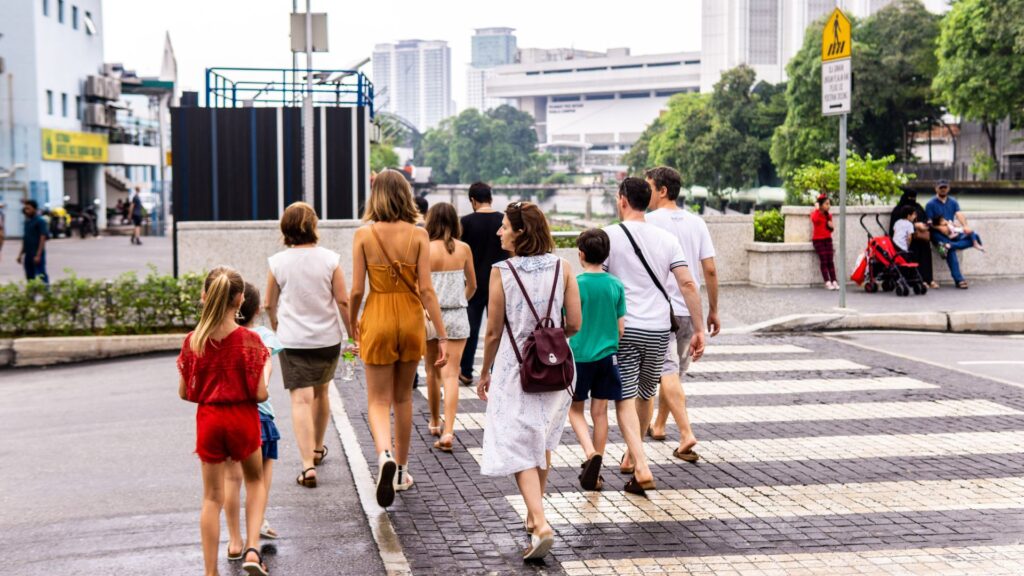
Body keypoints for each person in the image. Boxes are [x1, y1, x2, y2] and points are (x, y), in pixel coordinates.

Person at [475, 201, 581, 560]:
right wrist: (548, 339)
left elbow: (492, 331)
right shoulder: (563, 266)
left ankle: (540, 521)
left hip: (515, 366)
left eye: (504, 226)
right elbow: (575, 323)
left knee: (518, 443)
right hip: (557, 365)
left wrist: (485, 371)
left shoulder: (501, 271)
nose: (499, 231)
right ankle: (534, 518)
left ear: (520, 232)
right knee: (540, 440)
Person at [350, 170, 448, 508]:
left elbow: (357, 290)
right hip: (409, 318)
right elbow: (426, 290)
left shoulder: (363, 234)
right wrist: (443, 334)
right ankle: (403, 470)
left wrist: (352, 323)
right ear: (406, 195)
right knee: (403, 398)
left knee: (377, 400)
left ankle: (384, 455)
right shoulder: (420, 235)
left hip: (377, 314)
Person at [603, 177, 706, 493]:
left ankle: (640, 461)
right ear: (647, 201)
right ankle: (631, 457)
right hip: (660, 329)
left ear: (622, 200)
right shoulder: (666, 239)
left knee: (626, 397)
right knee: (646, 393)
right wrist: (699, 328)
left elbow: (599, 282)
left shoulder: (608, 236)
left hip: (626, 328)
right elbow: (688, 284)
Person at [177, 267, 271, 576]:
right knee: (255, 482)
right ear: (240, 299)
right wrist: (266, 370)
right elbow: (259, 394)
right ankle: (253, 550)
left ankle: (210, 571)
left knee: (211, 498)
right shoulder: (250, 341)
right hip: (242, 418)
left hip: (209, 420)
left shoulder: (193, 341)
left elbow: (186, 393)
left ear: (204, 297)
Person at [265, 202, 353, 489]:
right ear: (313, 225)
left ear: (285, 227)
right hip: (327, 339)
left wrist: (276, 324)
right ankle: (317, 447)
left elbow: (269, 302)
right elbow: (342, 300)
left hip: (293, 340)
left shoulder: (277, 262)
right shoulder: (330, 259)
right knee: (322, 391)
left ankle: (307, 466)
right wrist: (353, 333)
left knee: (300, 400)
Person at [644, 166, 721, 462]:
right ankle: (660, 425)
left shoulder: (647, 222)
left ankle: (683, 432)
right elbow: (710, 269)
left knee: (664, 373)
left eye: (649, 186)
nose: (646, 191)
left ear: (662, 190)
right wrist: (712, 310)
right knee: (673, 372)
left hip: (660, 310)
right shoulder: (696, 222)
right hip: (688, 309)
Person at [224, 282, 283, 560]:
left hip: (229, 415)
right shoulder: (263, 336)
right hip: (261, 415)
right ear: (257, 309)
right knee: (258, 481)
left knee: (232, 480)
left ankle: (235, 541)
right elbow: (264, 373)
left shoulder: (223, 334)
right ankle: (256, 531)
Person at [567, 228, 624, 491]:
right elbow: (621, 329)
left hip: (580, 357)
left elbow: (568, 321)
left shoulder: (575, 285)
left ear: (580, 254)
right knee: (600, 413)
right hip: (608, 357)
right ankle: (597, 472)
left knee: (575, 410)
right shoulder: (615, 284)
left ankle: (590, 454)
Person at [423, 202, 476, 451]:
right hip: (457, 316)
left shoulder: (425, 248)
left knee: (432, 371)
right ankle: (448, 430)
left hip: (429, 317)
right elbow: (473, 285)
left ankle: (434, 421)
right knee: (451, 374)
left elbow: (419, 287)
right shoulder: (464, 249)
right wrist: (460, 300)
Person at [459, 182, 506, 385]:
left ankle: (467, 371)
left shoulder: (466, 222)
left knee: (471, 328)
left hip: (473, 282)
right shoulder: (503, 220)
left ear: (472, 200)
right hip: (500, 282)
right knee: (499, 329)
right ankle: (496, 370)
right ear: (491, 198)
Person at [926, 180, 980, 289]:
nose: (943, 189)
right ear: (936, 188)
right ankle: (959, 279)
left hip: (953, 231)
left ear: (948, 188)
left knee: (973, 236)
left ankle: (948, 246)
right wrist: (941, 228)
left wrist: (965, 226)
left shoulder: (953, 202)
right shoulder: (930, 204)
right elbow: (929, 224)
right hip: (937, 234)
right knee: (951, 252)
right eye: (940, 187)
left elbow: (959, 214)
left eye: (945, 187)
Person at [889, 191, 937, 289]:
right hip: (906, 240)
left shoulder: (918, 207)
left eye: (914, 198)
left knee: (925, 247)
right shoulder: (898, 210)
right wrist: (915, 225)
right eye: (910, 198)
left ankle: (928, 278)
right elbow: (895, 228)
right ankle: (918, 279)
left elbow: (925, 219)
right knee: (913, 250)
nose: (912, 200)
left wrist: (924, 225)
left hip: (919, 236)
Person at [810, 194, 838, 290]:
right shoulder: (815, 214)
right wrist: (817, 209)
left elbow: (830, 230)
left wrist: (831, 227)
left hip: (828, 239)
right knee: (824, 261)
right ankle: (827, 281)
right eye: (826, 204)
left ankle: (834, 280)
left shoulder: (828, 215)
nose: (828, 206)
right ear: (821, 205)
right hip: (818, 240)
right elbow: (815, 220)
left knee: (830, 261)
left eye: (829, 204)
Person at [17, 200, 49, 284]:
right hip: (28, 254)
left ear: (34, 209)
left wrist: (38, 255)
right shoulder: (27, 222)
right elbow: (25, 239)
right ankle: (32, 294)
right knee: (29, 276)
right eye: (25, 208)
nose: (26, 211)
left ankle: (47, 293)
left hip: (37, 253)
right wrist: (20, 255)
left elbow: (43, 238)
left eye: (29, 208)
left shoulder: (40, 221)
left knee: (41, 274)